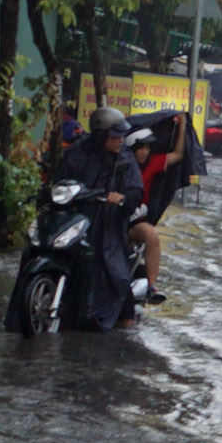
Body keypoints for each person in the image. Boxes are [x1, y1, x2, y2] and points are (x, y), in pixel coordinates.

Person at [53, 107, 162, 309]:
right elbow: (61, 180)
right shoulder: (78, 152)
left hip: (109, 223)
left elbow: (134, 190)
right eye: (115, 136)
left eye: (122, 136)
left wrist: (122, 197)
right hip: (77, 218)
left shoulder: (124, 158)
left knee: (117, 277)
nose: (120, 140)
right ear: (103, 136)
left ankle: (128, 312)